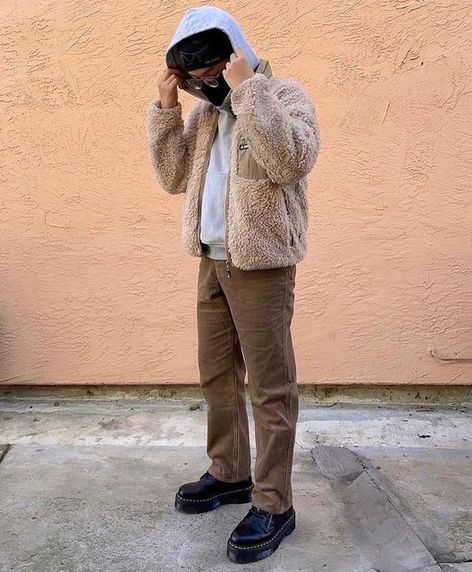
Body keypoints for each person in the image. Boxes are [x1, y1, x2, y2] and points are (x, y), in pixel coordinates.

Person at [146, 5, 320, 564]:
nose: (207, 77)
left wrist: (249, 92)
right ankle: (230, 475)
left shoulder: (283, 95)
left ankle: (275, 502)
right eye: (195, 71)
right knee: (217, 378)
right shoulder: (203, 117)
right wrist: (167, 107)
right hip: (211, 262)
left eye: (214, 64)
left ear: (237, 51)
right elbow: (173, 178)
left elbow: (289, 160)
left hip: (262, 267)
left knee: (270, 388)